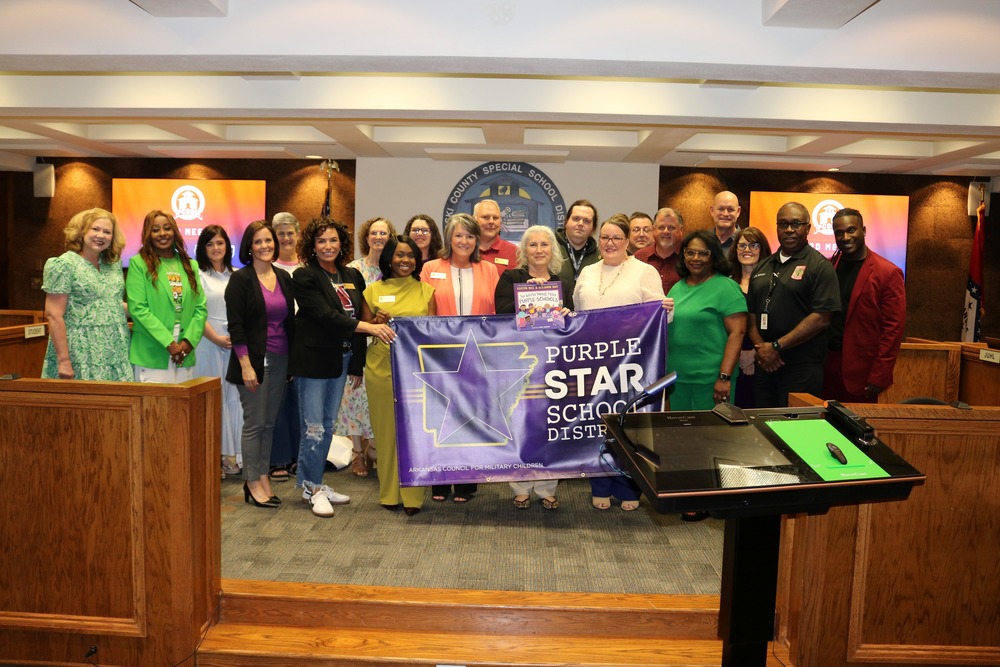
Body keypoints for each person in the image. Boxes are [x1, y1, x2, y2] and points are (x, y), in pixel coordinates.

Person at [290, 218, 396, 517]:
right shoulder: (304, 276)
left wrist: (376, 322)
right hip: (313, 360)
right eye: (321, 241)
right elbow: (327, 317)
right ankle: (311, 488)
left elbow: (362, 318)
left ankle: (316, 483)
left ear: (341, 244)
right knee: (314, 427)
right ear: (312, 245)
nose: (328, 246)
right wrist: (369, 327)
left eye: (333, 240)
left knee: (327, 425)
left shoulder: (351, 275)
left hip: (343, 358)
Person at [574, 216, 666, 511]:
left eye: (616, 238)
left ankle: (628, 488)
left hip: (631, 364)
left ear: (628, 241)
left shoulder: (644, 271)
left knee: (627, 426)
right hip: (591, 363)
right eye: (604, 237)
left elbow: (660, 317)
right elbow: (577, 314)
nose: (610, 243)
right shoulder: (588, 271)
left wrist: (666, 310)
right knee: (595, 425)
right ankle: (599, 484)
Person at [421, 213, 500, 503]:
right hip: (440, 355)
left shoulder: (489, 270)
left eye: (469, 235)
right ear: (449, 238)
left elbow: (495, 314)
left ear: (477, 240)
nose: (464, 241)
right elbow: (424, 311)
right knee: (441, 417)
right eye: (458, 235)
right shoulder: (430, 268)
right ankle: (440, 480)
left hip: (477, 356)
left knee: (471, 417)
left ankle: (466, 481)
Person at [494, 225, 573, 510]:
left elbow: (570, 325)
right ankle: (521, 486)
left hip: (551, 364)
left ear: (552, 250)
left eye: (544, 245)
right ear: (524, 250)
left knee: (549, 425)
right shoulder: (511, 277)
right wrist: (529, 296)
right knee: (519, 424)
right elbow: (500, 315)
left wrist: (567, 314)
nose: (539, 250)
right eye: (533, 245)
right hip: (518, 362)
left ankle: (547, 486)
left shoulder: (562, 283)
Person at [225, 220, 295, 509]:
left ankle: (262, 476)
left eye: (269, 240)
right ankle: (252, 481)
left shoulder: (283, 277)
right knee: (255, 424)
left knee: (269, 422)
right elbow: (237, 326)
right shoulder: (241, 280)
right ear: (249, 247)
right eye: (258, 242)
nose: (265, 246)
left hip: (280, 359)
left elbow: (289, 322)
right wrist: (245, 365)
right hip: (252, 361)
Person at [363, 235, 435, 516]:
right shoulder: (372, 291)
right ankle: (389, 493)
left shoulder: (427, 292)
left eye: (410, 255)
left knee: (416, 432)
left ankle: (414, 495)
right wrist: (374, 322)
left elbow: (433, 334)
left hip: (416, 371)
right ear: (389, 258)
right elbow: (364, 326)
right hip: (381, 367)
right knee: (385, 431)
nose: (405, 260)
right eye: (399, 255)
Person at [746, 202, 840, 408]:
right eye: (783, 224)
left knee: (796, 429)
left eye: (796, 224)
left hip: (802, 367)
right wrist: (763, 349)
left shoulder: (820, 266)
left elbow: (822, 318)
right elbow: (751, 315)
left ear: (808, 228)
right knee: (764, 427)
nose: (789, 229)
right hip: (765, 364)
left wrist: (777, 347)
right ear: (777, 227)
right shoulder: (763, 265)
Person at [335, 216, 397, 476]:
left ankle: (375, 449)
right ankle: (358, 454)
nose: (379, 237)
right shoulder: (353, 269)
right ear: (366, 237)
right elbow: (347, 308)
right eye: (374, 233)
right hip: (360, 339)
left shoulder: (394, 270)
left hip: (386, 344)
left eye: (384, 233)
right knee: (354, 396)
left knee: (375, 400)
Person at [823, 208, 906, 403]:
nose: (845, 237)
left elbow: (893, 329)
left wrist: (880, 374)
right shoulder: (828, 267)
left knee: (855, 431)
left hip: (861, 373)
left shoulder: (888, 272)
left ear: (864, 230)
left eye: (851, 230)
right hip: (826, 366)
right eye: (839, 232)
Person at [41, 207, 131, 382]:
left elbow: (111, 305)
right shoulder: (63, 264)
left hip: (116, 350)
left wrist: (152, 312)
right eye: (95, 229)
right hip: (81, 353)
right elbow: (54, 315)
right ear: (81, 232)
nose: (101, 235)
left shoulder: (113, 265)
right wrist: (64, 361)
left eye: (107, 232)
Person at [667, 230, 746, 409]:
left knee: (712, 436)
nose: (696, 258)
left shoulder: (727, 287)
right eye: (690, 252)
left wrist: (724, 377)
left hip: (711, 382)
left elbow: (738, 333)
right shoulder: (676, 288)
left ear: (714, 257)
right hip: (677, 381)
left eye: (703, 253)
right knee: (680, 434)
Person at [126, 210, 207, 383]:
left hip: (185, 351)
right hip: (153, 350)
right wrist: (170, 344)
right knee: (154, 409)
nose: (162, 234)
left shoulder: (190, 265)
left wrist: (188, 343)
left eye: (167, 228)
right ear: (148, 234)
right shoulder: (138, 263)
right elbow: (138, 309)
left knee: (182, 408)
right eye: (155, 230)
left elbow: (200, 307)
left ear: (175, 231)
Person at [194, 226, 244, 478]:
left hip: (234, 344)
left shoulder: (237, 275)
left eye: (220, 243)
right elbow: (195, 313)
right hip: (207, 342)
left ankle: (230, 456)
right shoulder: (198, 275)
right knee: (213, 398)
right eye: (210, 244)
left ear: (228, 246)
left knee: (233, 398)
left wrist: (236, 336)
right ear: (203, 248)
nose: (216, 248)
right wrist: (215, 337)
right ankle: (210, 456)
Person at [267, 211, 302, 482]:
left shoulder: (306, 268)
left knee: (300, 403)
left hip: (306, 342)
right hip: (278, 340)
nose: (286, 238)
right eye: (281, 234)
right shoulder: (270, 269)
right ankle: (278, 457)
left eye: (291, 233)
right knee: (277, 402)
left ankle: (297, 457)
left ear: (298, 235)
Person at [726, 227, 773, 408]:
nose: (747, 250)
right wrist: (737, 355)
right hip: (731, 358)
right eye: (742, 245)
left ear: (763, 249)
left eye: (753, 245)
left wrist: (754, 353)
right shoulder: (726, 281)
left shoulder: (773, 281)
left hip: (763, 358)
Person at [634, 207, 684, 294]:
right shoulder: (639, 257)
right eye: (661, 227)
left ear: (681, 230)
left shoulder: (688, 258)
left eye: (671, 227)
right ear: (653, 230)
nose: (666, 231)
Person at [555, 199, 600, 291]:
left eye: (586, 221)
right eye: (576, 219)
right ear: (566, 222)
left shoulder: (600, 257)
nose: (580, 224)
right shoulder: (549, 249)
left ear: (593, 228)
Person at [475, 198, 518, 269]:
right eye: (485, 217)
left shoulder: (515, 253)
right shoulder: (465, 250)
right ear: (475, 220)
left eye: (495, 218)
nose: (491, 222)